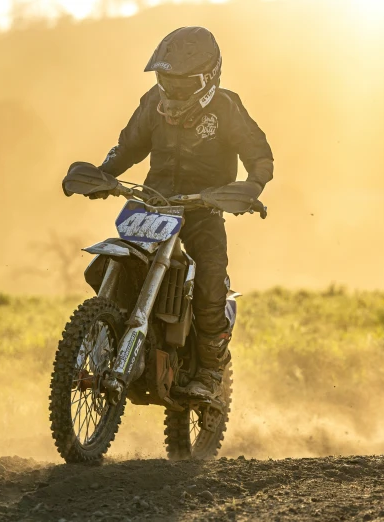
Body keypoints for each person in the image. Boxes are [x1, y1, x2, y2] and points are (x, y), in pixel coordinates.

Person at [95, 26, 274, 400]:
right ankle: (109, 338)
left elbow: (258, 154)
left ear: (208, 79)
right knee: (108, 265)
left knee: (210, 281)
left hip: (204, 211)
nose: (172, 91)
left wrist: (251, 186)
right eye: (166, 80)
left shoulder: (226, 107)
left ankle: (210, 373)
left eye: (182, 84)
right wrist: (102, 174)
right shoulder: (151, 104)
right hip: (153, 206)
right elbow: (127, 147)